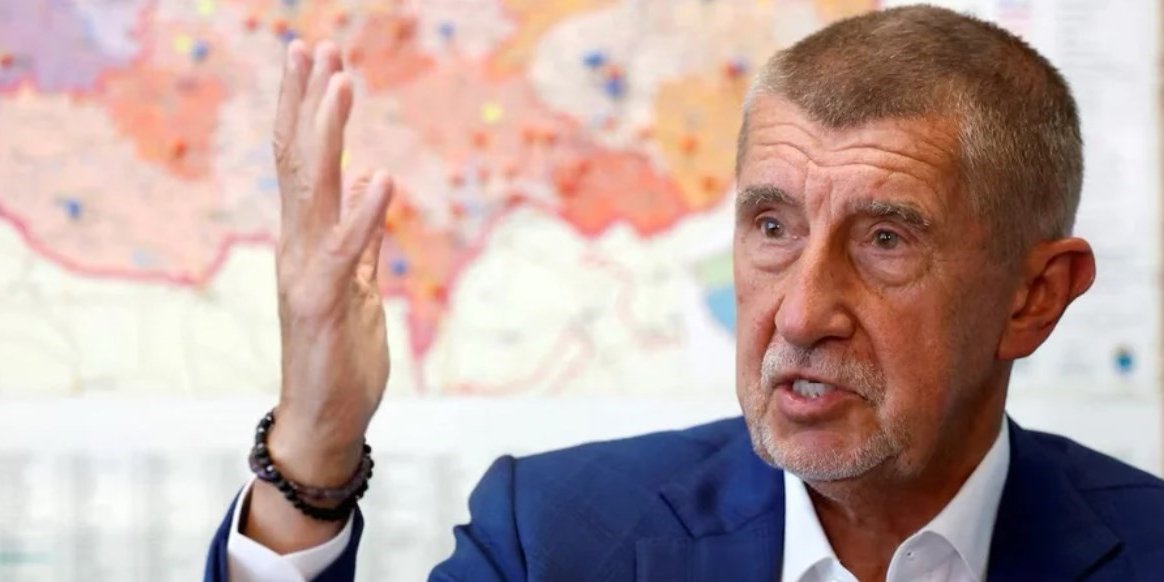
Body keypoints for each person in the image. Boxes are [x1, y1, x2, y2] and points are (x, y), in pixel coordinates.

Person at [204, 5, 1164, 581]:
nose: (801, 315)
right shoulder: (555, 537)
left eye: (885, 240)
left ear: (1034, 298)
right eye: (773, 227)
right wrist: (315, 445)